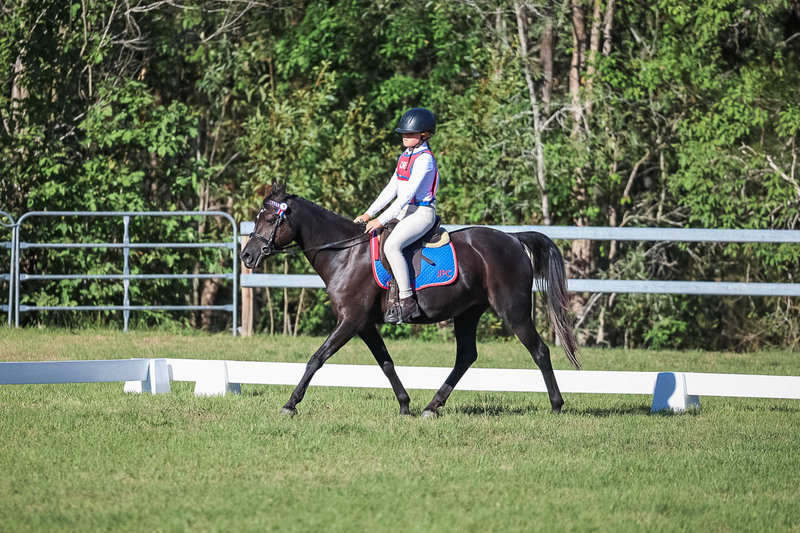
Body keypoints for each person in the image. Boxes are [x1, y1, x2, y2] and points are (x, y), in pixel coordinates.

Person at [354, 107, 440, 323]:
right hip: (404, 211)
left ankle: (407, 300)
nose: (405, 136)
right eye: (403, 132)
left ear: (425, 135)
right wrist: (368, 213)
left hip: (421, 212)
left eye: (410, 133)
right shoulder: (406, 156)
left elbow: (406, 196)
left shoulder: (425, 159)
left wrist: (380, 220)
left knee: (392, 246)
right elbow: (391, 189)